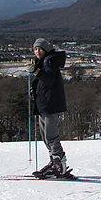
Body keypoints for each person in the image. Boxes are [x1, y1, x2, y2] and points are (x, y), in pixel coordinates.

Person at [28, 38, 68, 177]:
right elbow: (45, 83)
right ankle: (54, 161)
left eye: (40, 49)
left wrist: (36, 72)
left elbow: (49, 78)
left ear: (46, 50)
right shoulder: (44, 61)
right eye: (35, 49)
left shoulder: (49, 61)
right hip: (45, 104)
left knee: (50, 135)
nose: (37, 52)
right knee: (46, 136)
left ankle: (59, 163)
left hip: (50, 104)